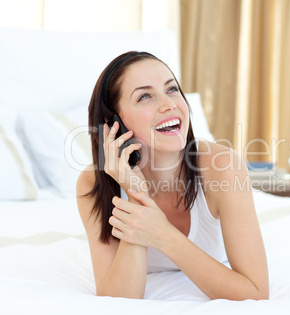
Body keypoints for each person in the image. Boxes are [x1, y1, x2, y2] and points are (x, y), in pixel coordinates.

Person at [76, 51, 269, 300]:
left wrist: (162, 234)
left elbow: (255, 293)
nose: (169, 104)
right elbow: (120, 300)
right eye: (145, 96)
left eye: (172, 89)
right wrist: (136, 196)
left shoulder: (223, 167)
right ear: (113, 123)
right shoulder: (92, 184)